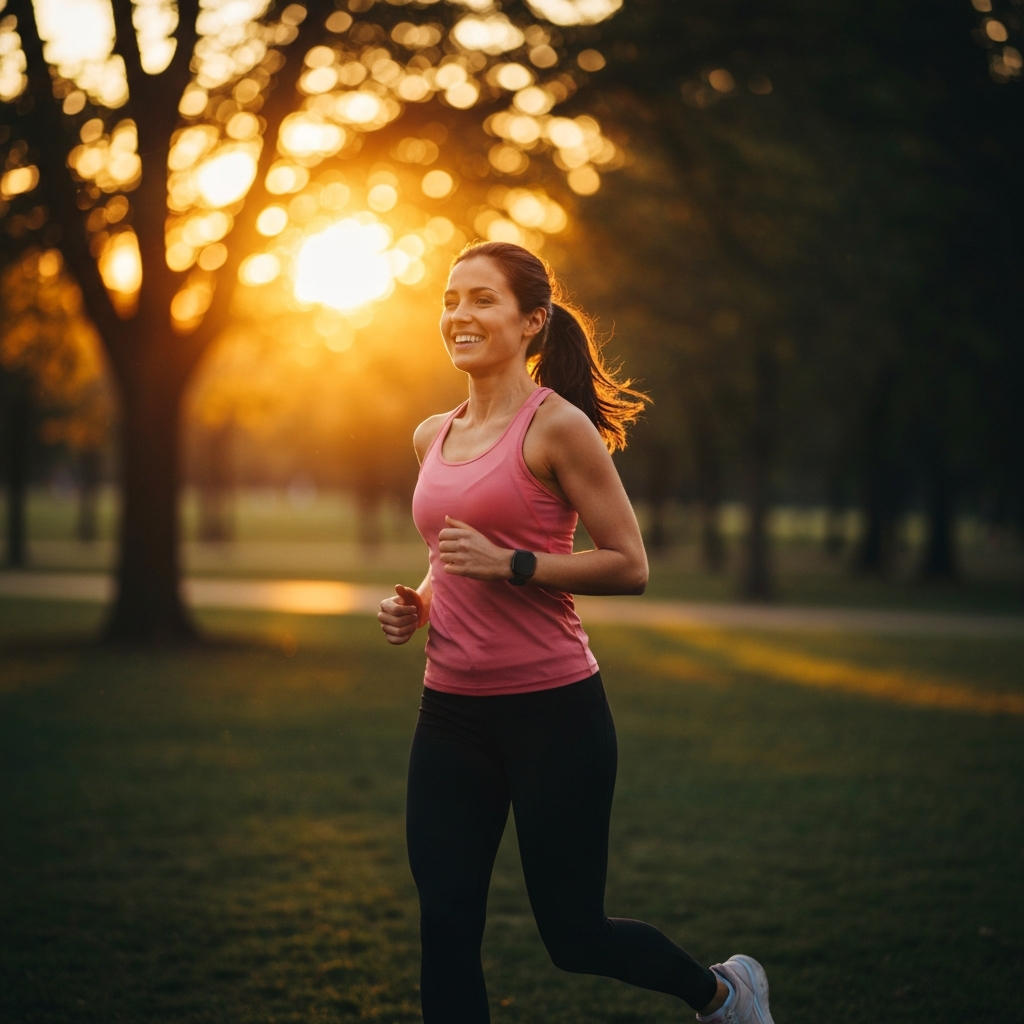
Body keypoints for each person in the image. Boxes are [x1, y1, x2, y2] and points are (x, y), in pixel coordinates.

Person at [378, 241, 774, 1024]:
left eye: (482, 299)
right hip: (450, 714)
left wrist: (514, 564)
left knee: (574, 936)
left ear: (532, 321)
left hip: (554, 713)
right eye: (451, 298)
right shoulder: (433, 434)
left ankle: (724, 993)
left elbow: (630, 564)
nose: (459, 313)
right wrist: (420, 604)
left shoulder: (557, 429)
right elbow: (447, 557)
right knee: (447, 926)